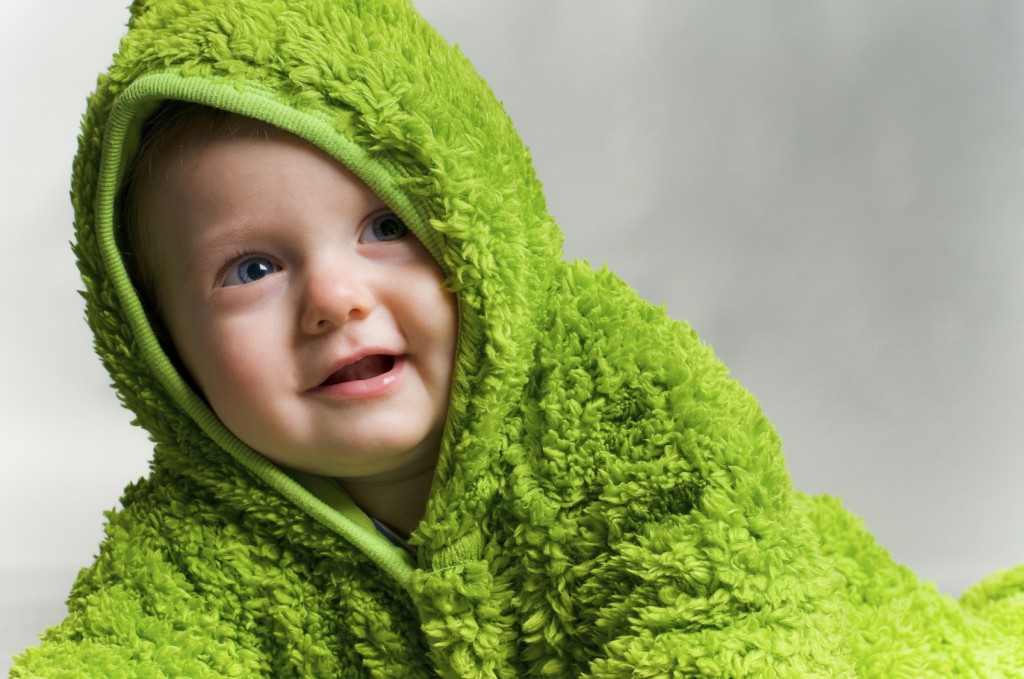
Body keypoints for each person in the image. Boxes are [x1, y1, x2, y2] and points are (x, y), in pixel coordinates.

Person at [11, 0, 1024, 676]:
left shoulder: (622, 409)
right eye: (251, 269)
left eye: (387, 228)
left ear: (475, 225)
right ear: (161, 347)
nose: (334, 298)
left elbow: (727, 628)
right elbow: (124, 652)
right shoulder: (204, 541)